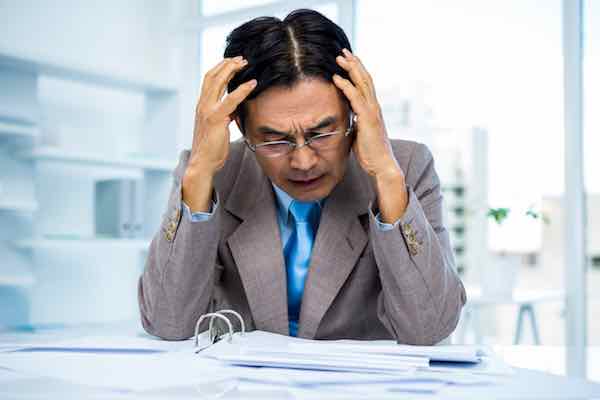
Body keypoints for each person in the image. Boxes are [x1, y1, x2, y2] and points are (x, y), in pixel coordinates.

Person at [138, 9, 466, 344]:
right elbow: (168, 322)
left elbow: (430, 328)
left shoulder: (407, 167)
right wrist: (198, 176)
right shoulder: (211, 173)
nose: (304, 160)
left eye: (323, 133)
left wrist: (386, 176)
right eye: (275, 140)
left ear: (355, 112)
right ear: (240, 126)